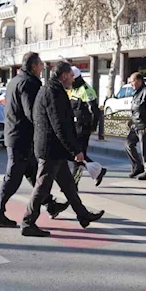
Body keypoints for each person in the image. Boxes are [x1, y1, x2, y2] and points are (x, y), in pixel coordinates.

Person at [22, 61, 104, 237]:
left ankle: (83, 215)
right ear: (64, 75)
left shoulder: (49, 89)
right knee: (42, 187)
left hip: (54, 148)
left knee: (68, 186)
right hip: (50, 149)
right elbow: (60, 126)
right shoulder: (53, 92)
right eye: (72, 76)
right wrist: (75, 150)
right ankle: (28, 222)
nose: (73, 80)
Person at [0, 52, 68, 228]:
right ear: (33, 66)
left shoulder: (15, 80)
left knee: (33, 172)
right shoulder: (29, 83)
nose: (42, 68)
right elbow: (32, 111)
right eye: (41, 65)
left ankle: (50, 204)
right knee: (13, 177)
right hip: (22, 137)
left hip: (16, 134)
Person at [69, 66, 107, 186]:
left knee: (78, 156)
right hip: (75, 127)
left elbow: (95, 111)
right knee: (78, 155)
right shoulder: (75, 90)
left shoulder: (86, 90)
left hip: (83, 128)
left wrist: (92, 127)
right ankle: (99, 171)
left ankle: (73, 184)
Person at [125, 72, 146, 180]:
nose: (131, 84)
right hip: (135, 125)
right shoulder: (137, 92)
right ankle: (137, 166)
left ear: (139, 80)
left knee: (145, 149)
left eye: (132, 81)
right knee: (128, 144)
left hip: (144, 126)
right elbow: (136, 110)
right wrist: (131, 120)